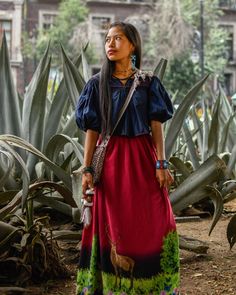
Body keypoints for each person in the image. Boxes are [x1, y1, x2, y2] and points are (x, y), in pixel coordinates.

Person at [75, 21, 180, 295]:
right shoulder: (96, 85)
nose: (110, 43)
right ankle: (111, 288)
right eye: (108, 39)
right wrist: (87, 168)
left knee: (157, 218)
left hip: (144, 160)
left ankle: (155, 286)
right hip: (110, 163)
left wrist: (161, 163)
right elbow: (92, 129)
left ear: (132, 44)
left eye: (117, 38)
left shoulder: (148, 83)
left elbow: (157, 126)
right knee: (113, 224)